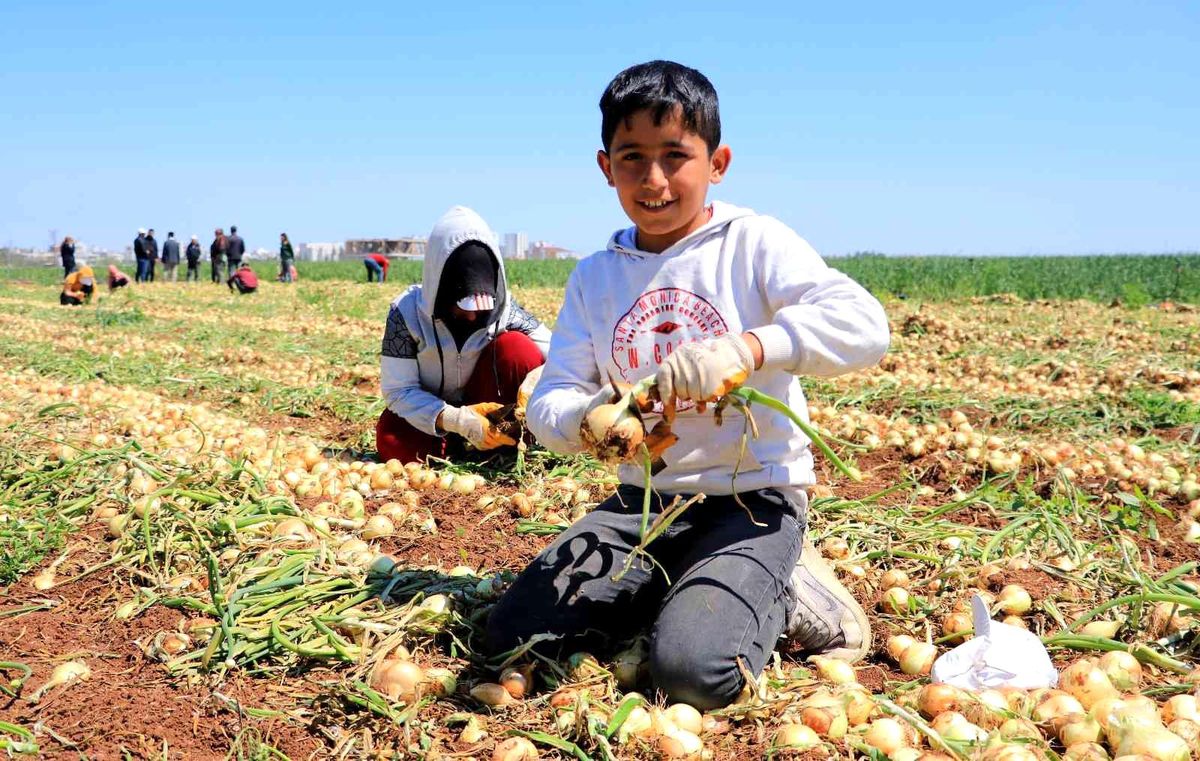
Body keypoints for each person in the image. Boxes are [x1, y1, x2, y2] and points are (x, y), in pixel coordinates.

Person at [486, 61, 891, 710]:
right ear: (604, 165)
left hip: (752, 501)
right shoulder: (595, 276)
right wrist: (588, 417)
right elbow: (551, 397)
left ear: (718, 161)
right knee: (511, 635)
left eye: (676, 156)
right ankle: (681, 592)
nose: (653, 179)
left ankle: (790, 587)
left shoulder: (753, 243)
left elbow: (865, 325)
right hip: (643, 505)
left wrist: (751, 346)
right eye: (632, 157)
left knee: (692, 674)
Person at [376, 206, 552, 464]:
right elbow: (398, 391)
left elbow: (562, 356)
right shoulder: (406, 314)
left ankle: (508, 439)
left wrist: (537, 378)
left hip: (490, 411)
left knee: (517, 348)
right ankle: (463, 448)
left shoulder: (505, 310)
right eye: (463, 307)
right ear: (441, 290)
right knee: (392, 439)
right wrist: (457, 420)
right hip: (435, 416)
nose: (472, 317)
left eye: (481, 309)